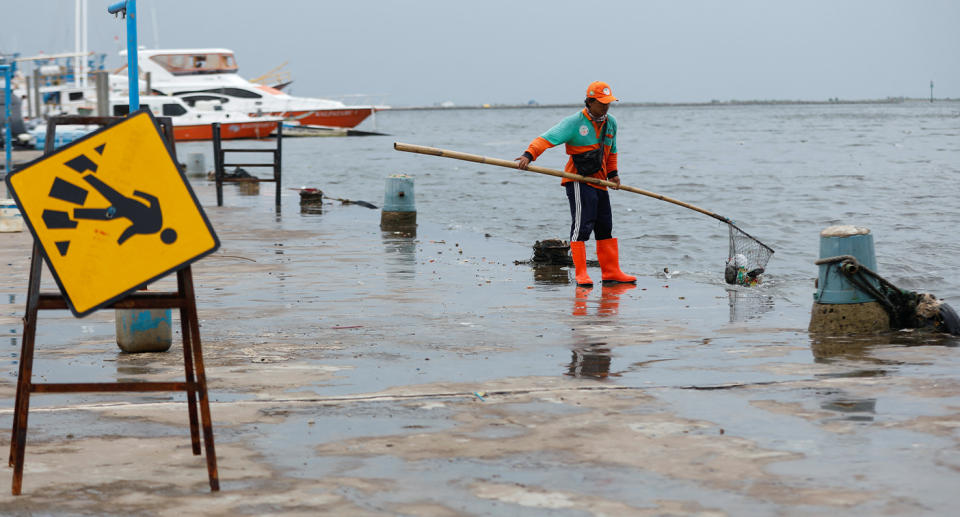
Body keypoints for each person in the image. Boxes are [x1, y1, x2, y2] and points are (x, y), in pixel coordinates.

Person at [515, 81, 636, 286]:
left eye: (609, 102)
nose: (606, 106)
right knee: (582, 227)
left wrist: (613, 174)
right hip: (578, 180)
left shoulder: (611, 122)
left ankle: (611, 272)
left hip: (600, 181)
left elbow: (611, 150)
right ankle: (581, 274)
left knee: (605, 228)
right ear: (590, 101)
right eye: (602, 102)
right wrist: (529, 154)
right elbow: (547, 138)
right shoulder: (574, 122)